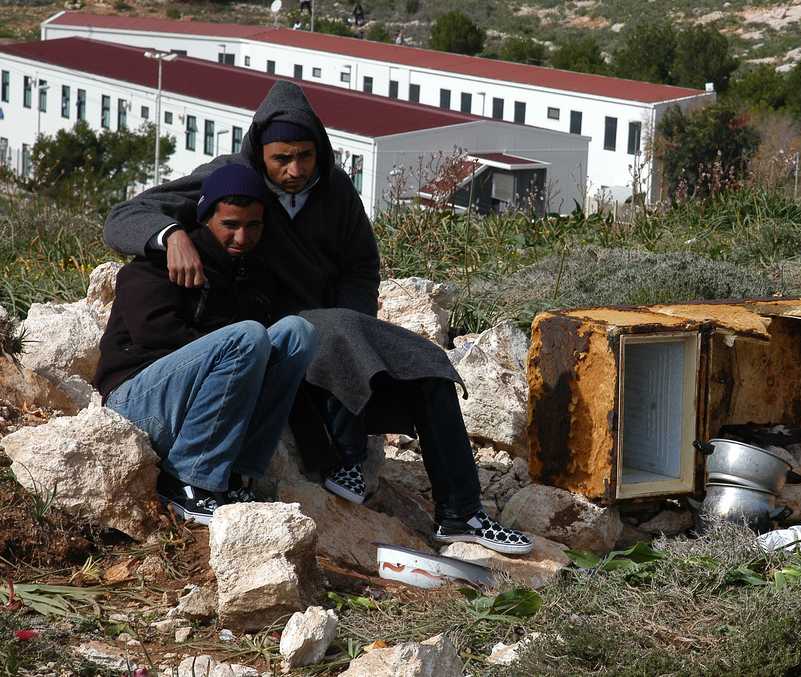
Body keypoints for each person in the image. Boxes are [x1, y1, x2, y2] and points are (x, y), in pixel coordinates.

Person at [103, 81, 533, 555]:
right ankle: (330, 459)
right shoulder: (233, 180)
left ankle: (461, 513)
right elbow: (129, 214)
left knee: (424, 367)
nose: (294, 170)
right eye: (281, 158)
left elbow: (361, 265)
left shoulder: (334, 190)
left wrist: (351, 325)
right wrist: (170, 236)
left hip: (331, 328)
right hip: (273, 333)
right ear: (259, 154)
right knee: (303, 334)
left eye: (305, 156)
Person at [93, 164, 319, 525]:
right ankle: (185, 480)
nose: (242, 238)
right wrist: (229, 350)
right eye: (230, 225)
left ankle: (234, 478)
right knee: (248, 337)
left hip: (201, 406)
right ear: (206, 219)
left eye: (253, 225)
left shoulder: (254, 274)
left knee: (297, 333)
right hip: (135, 403)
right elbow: (155, 337)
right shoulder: (159, 263)